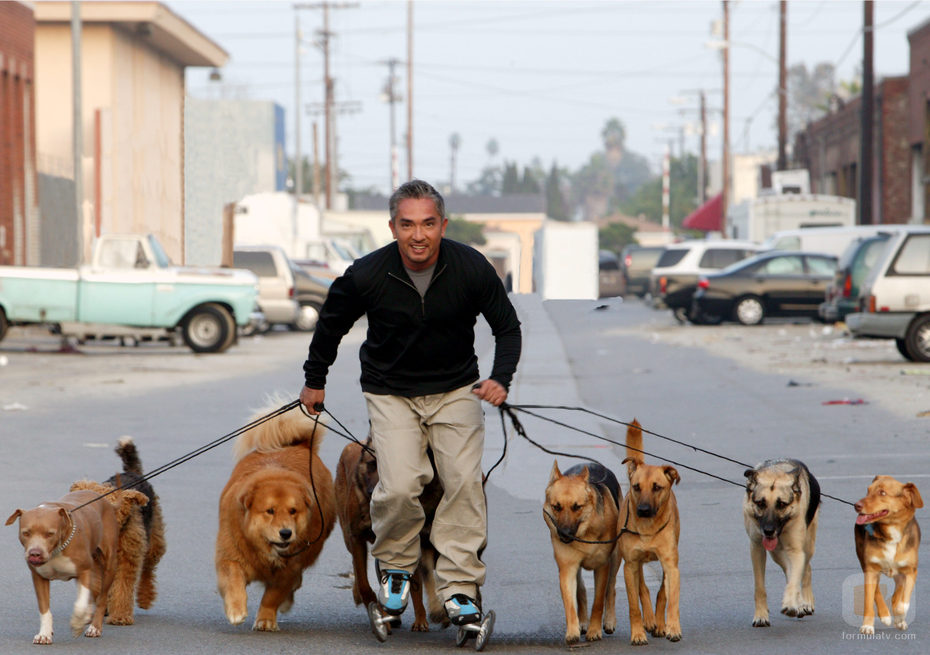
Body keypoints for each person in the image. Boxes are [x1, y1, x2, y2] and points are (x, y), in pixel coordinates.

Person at [299, 179, 521, 627]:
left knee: (463, 484)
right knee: (400, 485)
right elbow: (331, 325)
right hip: (390, 391)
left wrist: (500, 378)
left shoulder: (471, 267)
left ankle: (458, 588)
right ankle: (397, 570)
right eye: (407, 225)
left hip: (456, 389)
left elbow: (508, 328)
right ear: (392, 227)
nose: (417, 235)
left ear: (442, 224)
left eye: (427, 224)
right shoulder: (367, 273)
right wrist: (314, 380)